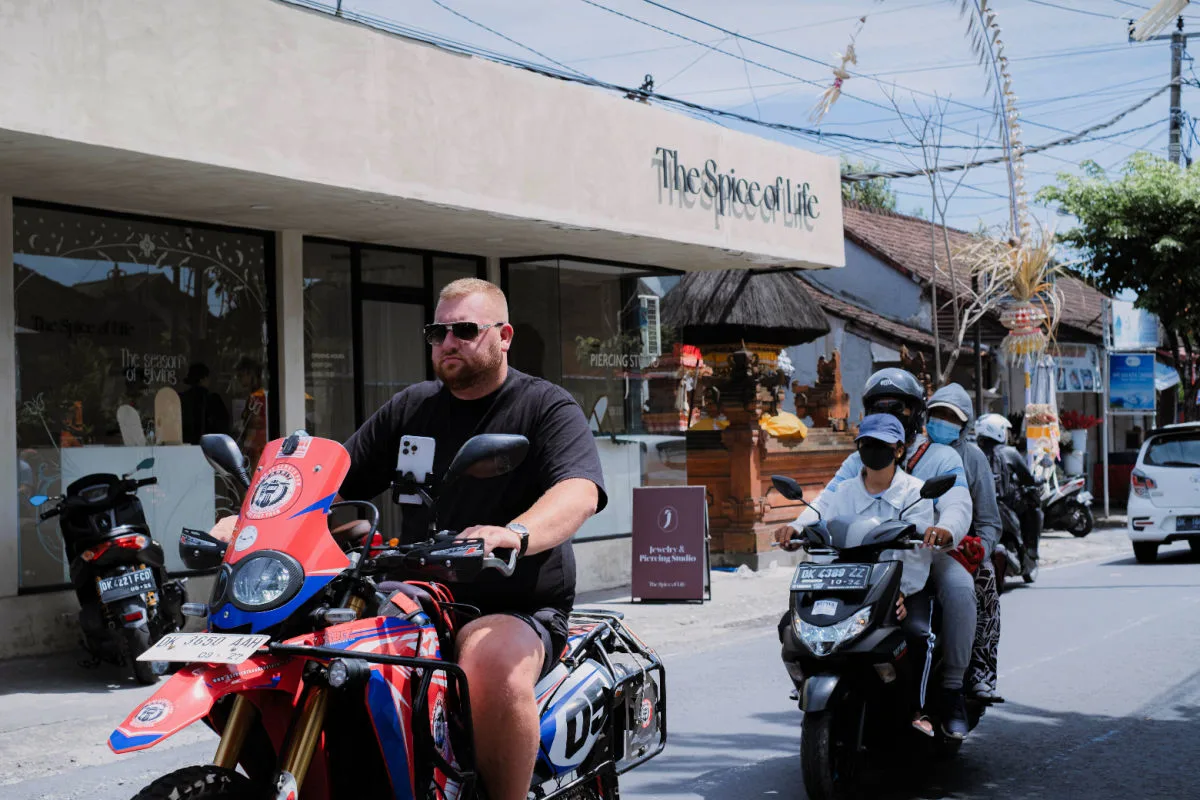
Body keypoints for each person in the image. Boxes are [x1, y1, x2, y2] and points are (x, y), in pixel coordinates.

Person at [216, 278, 605, 800]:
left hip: (510, 602)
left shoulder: (545, 407)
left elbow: (578, 491)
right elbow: (332, 487)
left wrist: (514, 533)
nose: (448, 342)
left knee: (488, 665)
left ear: (504, 335)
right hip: (413, 595)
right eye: (437, 332)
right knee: (295, 647)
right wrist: (257, 526)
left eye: (464, 330)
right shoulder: (412, 408)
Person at [793, 368, 976, 738]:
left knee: (959, 591)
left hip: (921, 553)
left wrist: (945, 529)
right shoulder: (857, 460)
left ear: (916, 411)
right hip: (863, 558)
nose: (889, 413)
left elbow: (957, 501)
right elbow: (827, 501)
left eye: (898, 407)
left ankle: (952, 688)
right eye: (880, 406)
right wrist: (797, 528)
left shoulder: (941, 457)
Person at [776, 414, 938, 733]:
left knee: (918, 633)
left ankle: (917, 709)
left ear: (899, 450)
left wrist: (900, 591)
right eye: (866, 443)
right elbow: (818, 521)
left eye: (880, 444)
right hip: (849, 584)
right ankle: (807, 680)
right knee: (790, 626)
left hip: (897, 587)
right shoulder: (844, 491)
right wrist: (795, 530)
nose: (872, 449)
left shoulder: (915, 493)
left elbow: (918, 554)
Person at [926, 384, 1004, 702]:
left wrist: (978, 548)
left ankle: (980, 671)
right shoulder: (912, 451)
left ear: (965, 424)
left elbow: (989, 521)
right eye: (937, 414)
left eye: (951, 417)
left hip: (959, 550)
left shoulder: (973, 458)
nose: (942, 422)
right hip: (911, 547)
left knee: (985, 585)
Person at [976, 413, 1044, 561]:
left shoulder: (974, 452)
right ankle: (1031, 548)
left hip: (979, 504)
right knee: (1033, 506)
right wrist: (1037, 480)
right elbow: (1028, 479)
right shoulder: (1009, 452)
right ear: (998, 430)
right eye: (1005, 430)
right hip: (1007, 504)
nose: (1007, 434)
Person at [177, 363, 230, 445]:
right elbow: (223, 426)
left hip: (186, 446)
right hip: (209, 446)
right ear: (203, 379)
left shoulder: (181, 399)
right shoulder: (213, 399)